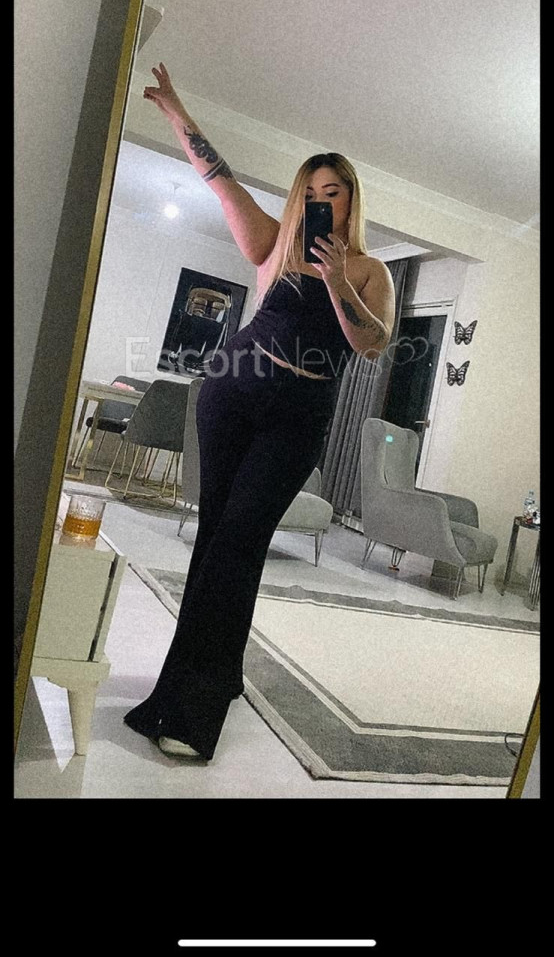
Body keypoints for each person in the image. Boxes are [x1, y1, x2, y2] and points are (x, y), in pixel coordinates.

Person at [124, 63, 396, 760]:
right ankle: (209, 685)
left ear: (351, 202)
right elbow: (218, 178)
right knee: (218, 538)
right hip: (232, 395)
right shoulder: (275, 242)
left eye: (333, 193)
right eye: (310, 191)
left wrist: (336, 281)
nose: (320, 202)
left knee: (237, 543)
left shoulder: (371, 272)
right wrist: (178, 113)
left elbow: (371, 344)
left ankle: (193, 704)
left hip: (298, 416)